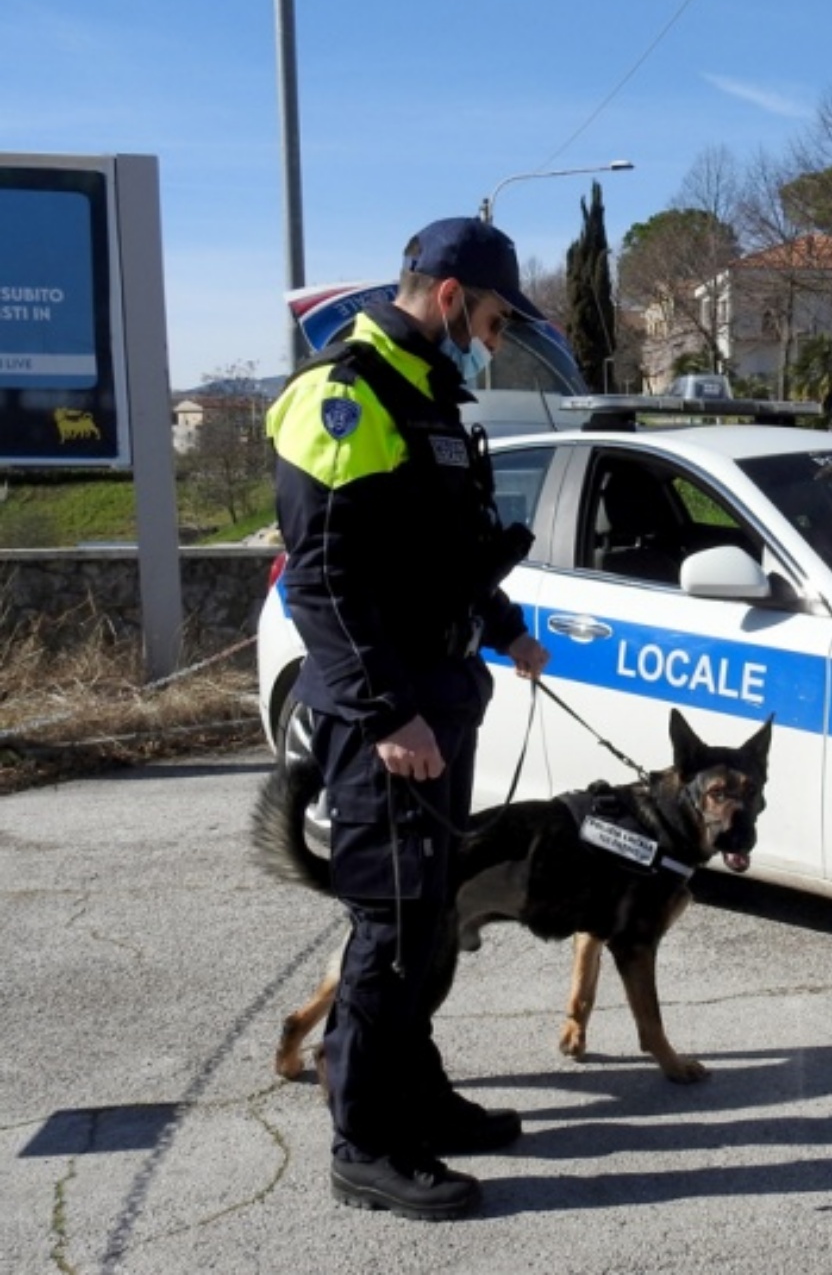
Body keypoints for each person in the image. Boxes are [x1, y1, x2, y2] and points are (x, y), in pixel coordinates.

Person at [265, 216, 551, 1222]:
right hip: (387, 716)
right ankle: (366, 1142)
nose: (495, 331)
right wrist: (388, 711)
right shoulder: (344, 395)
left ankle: (415, 1093)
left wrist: (504, 623)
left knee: (429, 920)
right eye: (492, 312)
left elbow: (444, 550)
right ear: (448, 294)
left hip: (441, 698)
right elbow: (324, 581)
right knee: (389, 928)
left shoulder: (430, 394)